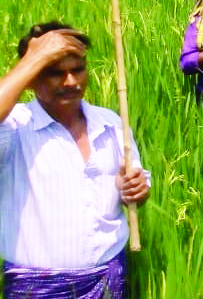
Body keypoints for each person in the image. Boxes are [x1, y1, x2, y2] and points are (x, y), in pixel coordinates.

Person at [0, 22, 150, 297]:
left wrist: (136, 190)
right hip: (37, 287)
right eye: (55, 73)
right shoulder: (15, 127)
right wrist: (35, 57)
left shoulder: (111, 123)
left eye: (77, 69)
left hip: (109, 277)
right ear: (31, 77)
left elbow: (138, 186)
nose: (70, 81)